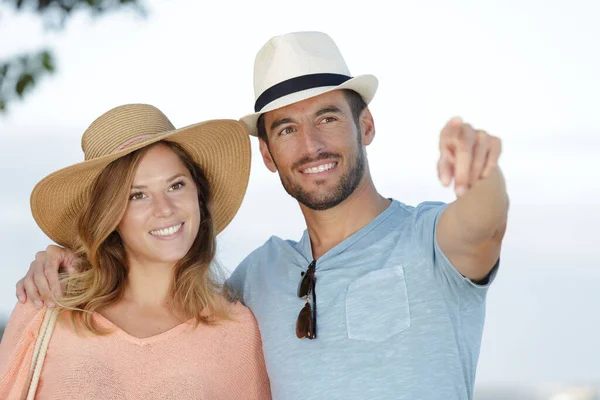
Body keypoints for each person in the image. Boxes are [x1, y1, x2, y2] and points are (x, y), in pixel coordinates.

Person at [15, 31, 509, 399]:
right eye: (287, 128)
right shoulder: (259, 277)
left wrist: (480, 171)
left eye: (328, 118)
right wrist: (74, 258)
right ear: (269, 155)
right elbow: (166, 298)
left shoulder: (429, 241)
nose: (311, 144)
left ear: (367, 124)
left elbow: (482, 224)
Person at [1, 104, 271, 399]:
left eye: (176, 185)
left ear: (199, 195)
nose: (165, 209)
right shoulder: (48, 305)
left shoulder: (237, 332)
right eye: (137, 195)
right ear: (110, 215)